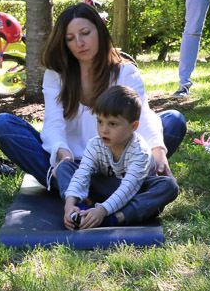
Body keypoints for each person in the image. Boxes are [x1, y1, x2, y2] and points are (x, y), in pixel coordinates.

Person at [0, 3, 187, 190]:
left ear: (99, 32)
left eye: (85, 33)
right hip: (71, 164)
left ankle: (90, 188)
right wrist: (63, 154)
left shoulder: (125, 72)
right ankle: (86, 185)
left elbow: (142, 116)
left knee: (173, 120)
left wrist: (158, 151)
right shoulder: (56, 75)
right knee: (3, 125)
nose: (79, 43)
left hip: (117, 164)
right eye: (70, 38)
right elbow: (53, 124)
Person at [58, 85, 179, 230]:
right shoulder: (95, 144)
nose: (104, 129)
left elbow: (128, 188)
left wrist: (102, 211)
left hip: (133, 193)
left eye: (113, 124)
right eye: (100, 121)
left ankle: (114, 219)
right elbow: (82, 174)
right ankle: (80, 212)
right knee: (65, 167)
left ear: (133, 126)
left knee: (168, 186)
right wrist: (69, 204)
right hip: (106, 188)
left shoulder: (140, 152)